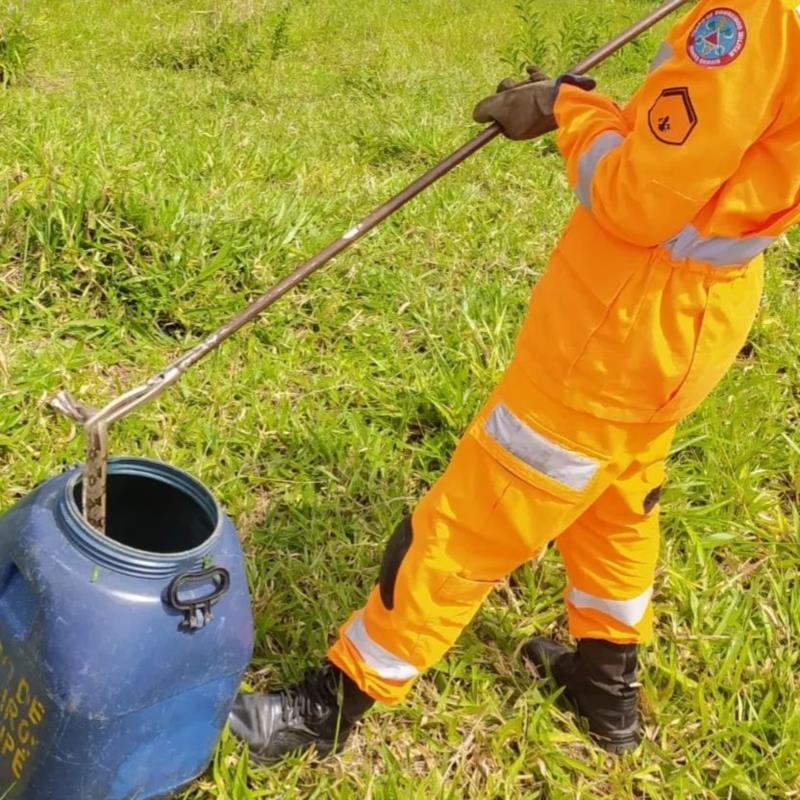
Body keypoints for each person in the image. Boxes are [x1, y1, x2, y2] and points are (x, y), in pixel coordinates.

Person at [230, 0, 800, 761]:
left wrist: (571, 110)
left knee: (479, 511)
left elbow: (637, 197)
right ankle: (605, 686)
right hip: (697, 317)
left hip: (622, 324)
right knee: (619, 498)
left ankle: (327, 707)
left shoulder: (759, 13)